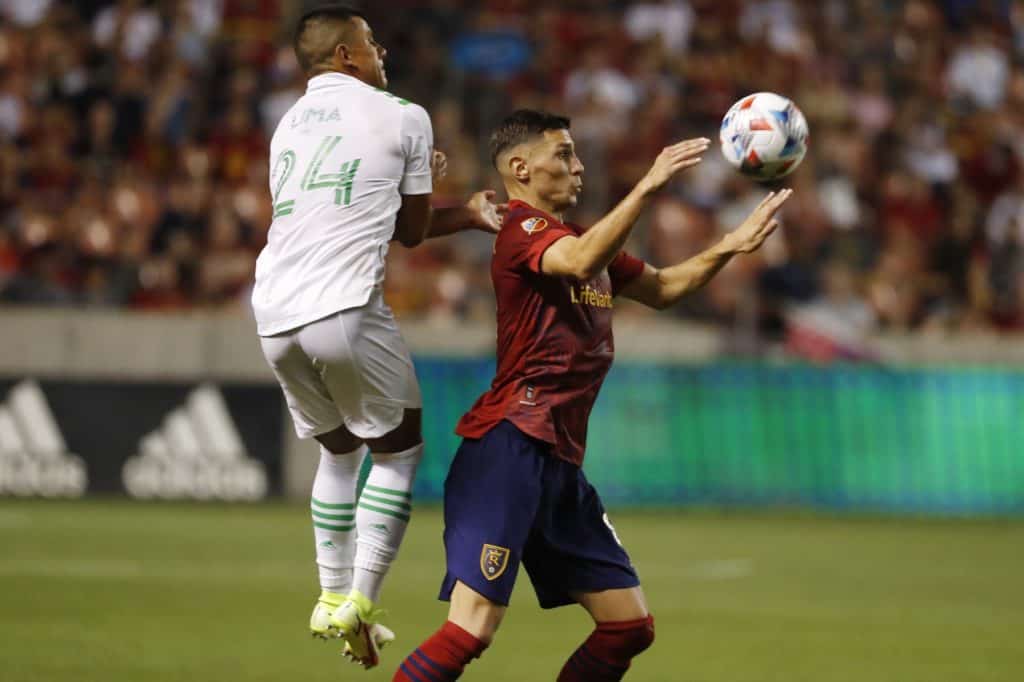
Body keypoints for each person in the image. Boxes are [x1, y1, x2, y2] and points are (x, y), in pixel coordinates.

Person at [392, 110, 791, 681]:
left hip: (557, 460)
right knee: (472, 628)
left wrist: (730, 244)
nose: (578, 168)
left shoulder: (584, 243)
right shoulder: (521, 232)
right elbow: (577, 263)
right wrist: (648, 185)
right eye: (565, 155)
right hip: (509, 447)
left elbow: (664, 287)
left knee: (628, 625)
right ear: (521, 168)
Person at [251, 5, 501, 669]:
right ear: (345, 57)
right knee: (396, 453)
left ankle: (331, 596)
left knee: (338, 452)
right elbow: (411, 230)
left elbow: (351, 202)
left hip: (273, 313)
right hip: (343, 309)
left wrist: (419, 180)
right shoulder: (404, 114)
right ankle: (362, 596)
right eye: (369, 41)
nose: (380, 49)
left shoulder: (287, 126)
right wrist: (469, 208)